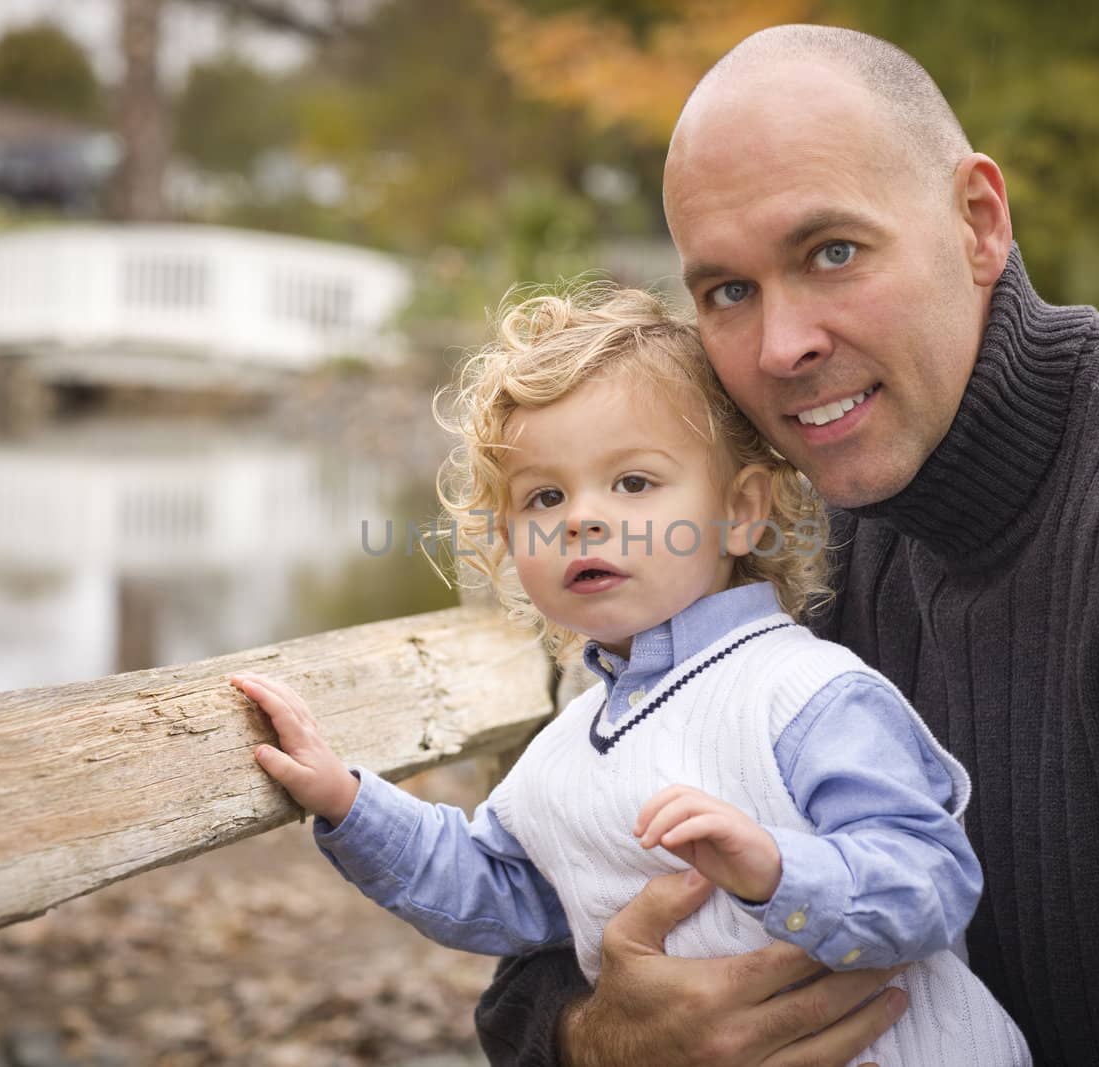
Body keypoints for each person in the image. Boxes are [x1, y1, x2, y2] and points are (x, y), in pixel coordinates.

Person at [473, 23, 1099, 1067]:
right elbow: (533, 952)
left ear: (977, 222)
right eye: (727, 290)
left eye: (831, 253)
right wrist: (602, 1040)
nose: (783, 347)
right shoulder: (777, 547)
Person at [230, 285, 1032, 1066]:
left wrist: (776, 869)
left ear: (741, 510)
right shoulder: (566, 750)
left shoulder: (807, 694)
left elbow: (931, 880)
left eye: (635, 483)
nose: (580, 517)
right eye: (544, 496)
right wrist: (346, 800)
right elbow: (496, 890)